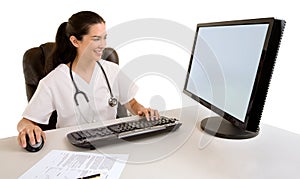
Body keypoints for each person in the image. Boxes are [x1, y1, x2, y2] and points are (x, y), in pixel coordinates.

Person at [17, 11, 159, 149]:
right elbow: (25, 121)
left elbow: (131, 103)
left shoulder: (112, 70)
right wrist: (28, 127)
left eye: (104, 37)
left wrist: (142, 110)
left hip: (112, 145)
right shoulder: (54, 80)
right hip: (72, 148)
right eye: (96, 39)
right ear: (75, 41)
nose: (103, 44)